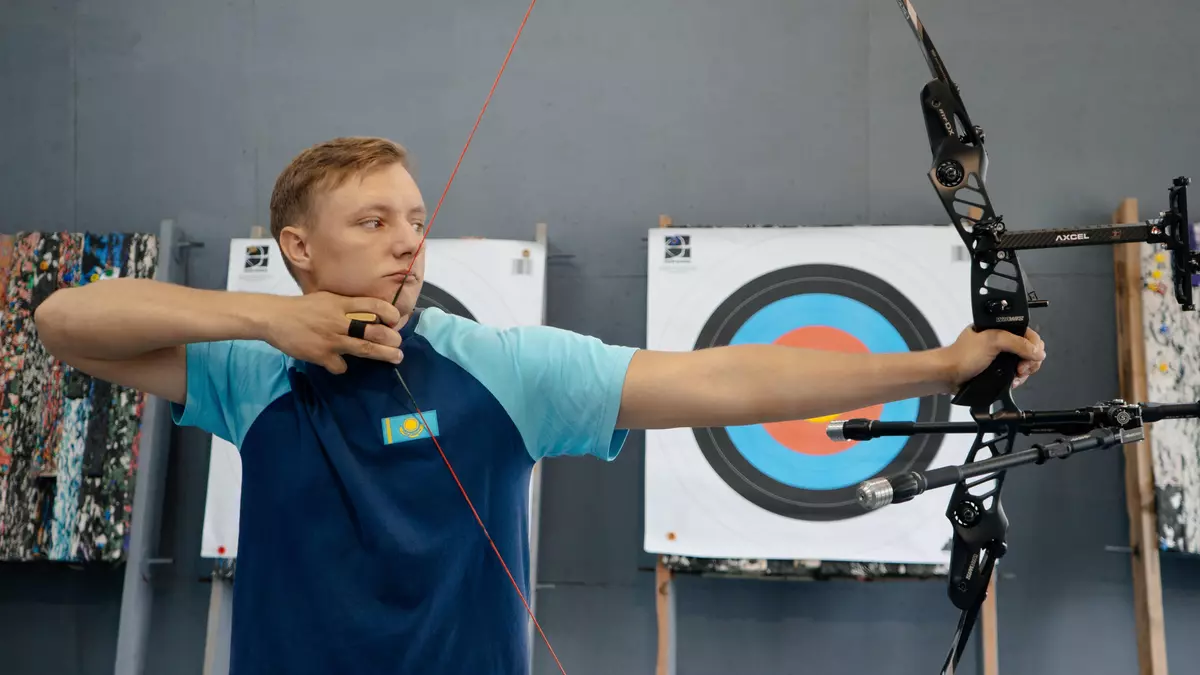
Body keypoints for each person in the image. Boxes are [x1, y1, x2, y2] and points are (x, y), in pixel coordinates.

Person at [33, 136, 1046, 674]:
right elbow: (66, 320)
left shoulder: (503, 368)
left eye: (415, 219)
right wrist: (268, 321)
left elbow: (724, 379)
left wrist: (937, 366)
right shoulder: (248, 373)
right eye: (372, 220)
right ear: (299, 247)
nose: (407, 240)